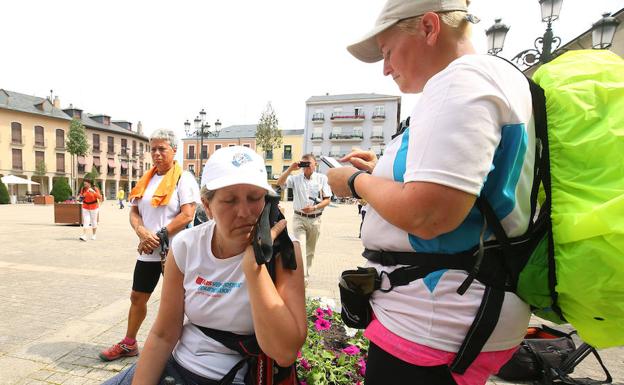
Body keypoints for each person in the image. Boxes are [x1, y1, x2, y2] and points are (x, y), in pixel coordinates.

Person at [328, 1, 534, 384]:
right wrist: (383, 171)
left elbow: (429, 215)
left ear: (428, 27)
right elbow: (472, 186)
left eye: (388, 52)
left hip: (432, 322)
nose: (386, 68)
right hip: (467, 309)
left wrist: (352, 183)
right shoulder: (503, 78)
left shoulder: (458, 81)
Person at [101, 146, 306, 384]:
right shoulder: (187, 245)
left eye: (255, 197)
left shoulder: (284, 252)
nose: (244, 212)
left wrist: (254, 268)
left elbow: (285, 353)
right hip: (178, 365)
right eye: (229, 200)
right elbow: (163, 335)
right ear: (207, 207)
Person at [99, 129, 200, 361]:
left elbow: (187, 215)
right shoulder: (147, 178)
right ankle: (129, 343)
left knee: (177, 301)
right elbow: (134, 211)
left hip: (174, 251)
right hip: (148, 249)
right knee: (137, 296)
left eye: (161, 149)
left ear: (174, 151)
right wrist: (142, 232)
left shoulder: (184, 179)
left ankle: (182, 349)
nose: (156, 154)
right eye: (153, 149)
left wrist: (159, 235)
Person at [276, 154, 331, 279]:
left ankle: (306, 275)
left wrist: (314, 208)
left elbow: (327, 200)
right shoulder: (295, 178)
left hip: (315, 218)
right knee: (300, 246)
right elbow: (280, 183)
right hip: (299, 218)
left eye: (308, 164)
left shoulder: (322, 178)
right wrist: (290, 169)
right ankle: (300, 275)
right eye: (303, 164)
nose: (306, 167)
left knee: (310, 250)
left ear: (315, 164)